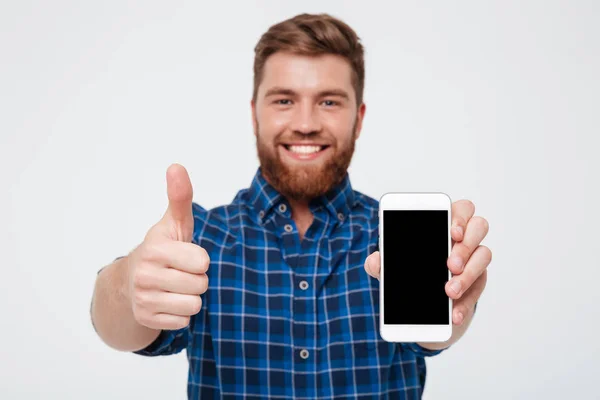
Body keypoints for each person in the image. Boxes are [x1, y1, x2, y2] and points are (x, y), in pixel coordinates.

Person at [90, 12, 491, 399]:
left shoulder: (395, 240)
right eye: (284, 100)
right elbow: (116, 328)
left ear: (359, 118)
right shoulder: (200, 241)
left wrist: (455, 296)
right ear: (254, 115)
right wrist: (128, 285)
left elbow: (435, 335)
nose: (305, 123)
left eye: (329, 102)